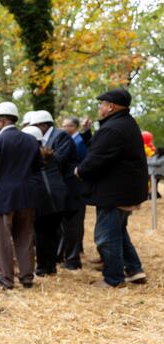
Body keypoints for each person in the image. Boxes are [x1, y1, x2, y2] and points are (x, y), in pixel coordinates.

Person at [75, 88, 148, 287]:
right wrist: (87, 133)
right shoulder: (124, 124)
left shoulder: (113, 129)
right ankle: (134, 270)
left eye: (101, 104)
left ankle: (114, 279)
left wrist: (79, 171)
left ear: (110, 106)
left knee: (105, 237)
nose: (99, 107)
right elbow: (102, 149)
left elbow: (96, 159)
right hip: (125, 190)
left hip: (115, 193)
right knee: (119, 232)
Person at [0, 102, 42, 289]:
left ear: (2, 120)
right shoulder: (31, 141)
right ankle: (27, 276)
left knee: (2, 238)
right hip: (27, 196)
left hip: (3, 197)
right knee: (25, 236)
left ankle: (6, 277)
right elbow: (38, 168)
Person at [30, 110, 79, 275]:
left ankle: (68, 261)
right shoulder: (45, 145)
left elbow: (61, 161)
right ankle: (52, 264)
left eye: (35, 125)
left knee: (58, 230)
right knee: (53, 231)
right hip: (55, 191)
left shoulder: (61, 136)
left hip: (60, 191)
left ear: (44, 125)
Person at [23, 126, 69, 276]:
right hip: (59, 197)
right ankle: (51, 266)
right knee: (53, 232)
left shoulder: (27, 158)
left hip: (41, 199)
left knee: (41, 234)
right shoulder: (51, 155)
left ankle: (42, 267)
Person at [59, 117, 89, 270]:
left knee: (74, 223)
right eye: (62, 126)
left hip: (76, 187)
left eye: (67, 126)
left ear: (74, 126)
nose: (63, 128)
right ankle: (74, 251)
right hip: (74, 188)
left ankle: (73, 255)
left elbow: (83, 161)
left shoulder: (78, 142)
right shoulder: (73, 140)